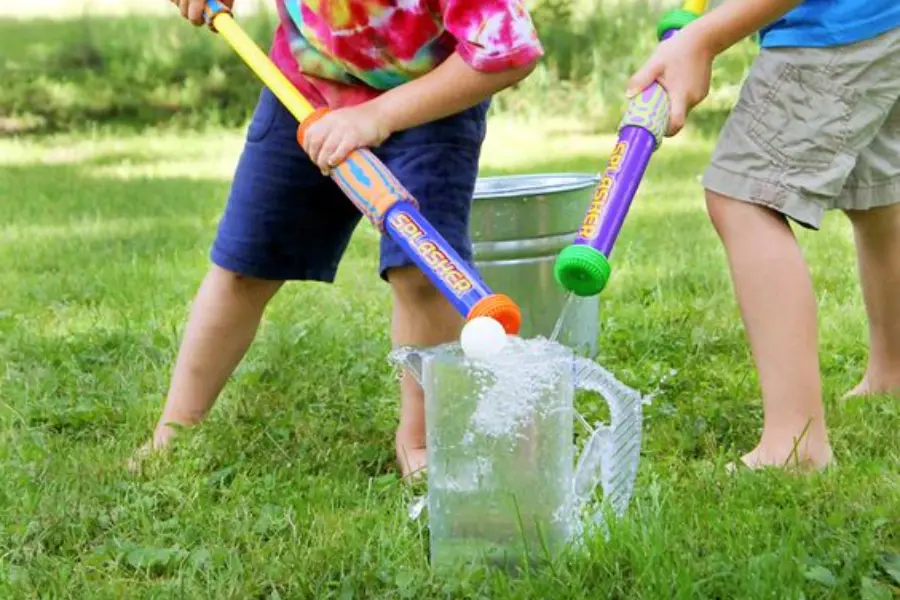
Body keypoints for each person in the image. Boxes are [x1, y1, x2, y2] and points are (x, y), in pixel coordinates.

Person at [132, 0, 543, 476]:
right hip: (302, 93)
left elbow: (511, 52)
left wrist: (378, 116)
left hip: (429, 102)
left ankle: (422, 444)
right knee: (246, 264)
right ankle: (173, 434)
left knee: (422, 276)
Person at [627, 0, 900, 471]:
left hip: (834, 25)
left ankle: (796, 443)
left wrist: (704, 39)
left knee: (743, 198)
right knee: (878, 193)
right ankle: (893, 372)